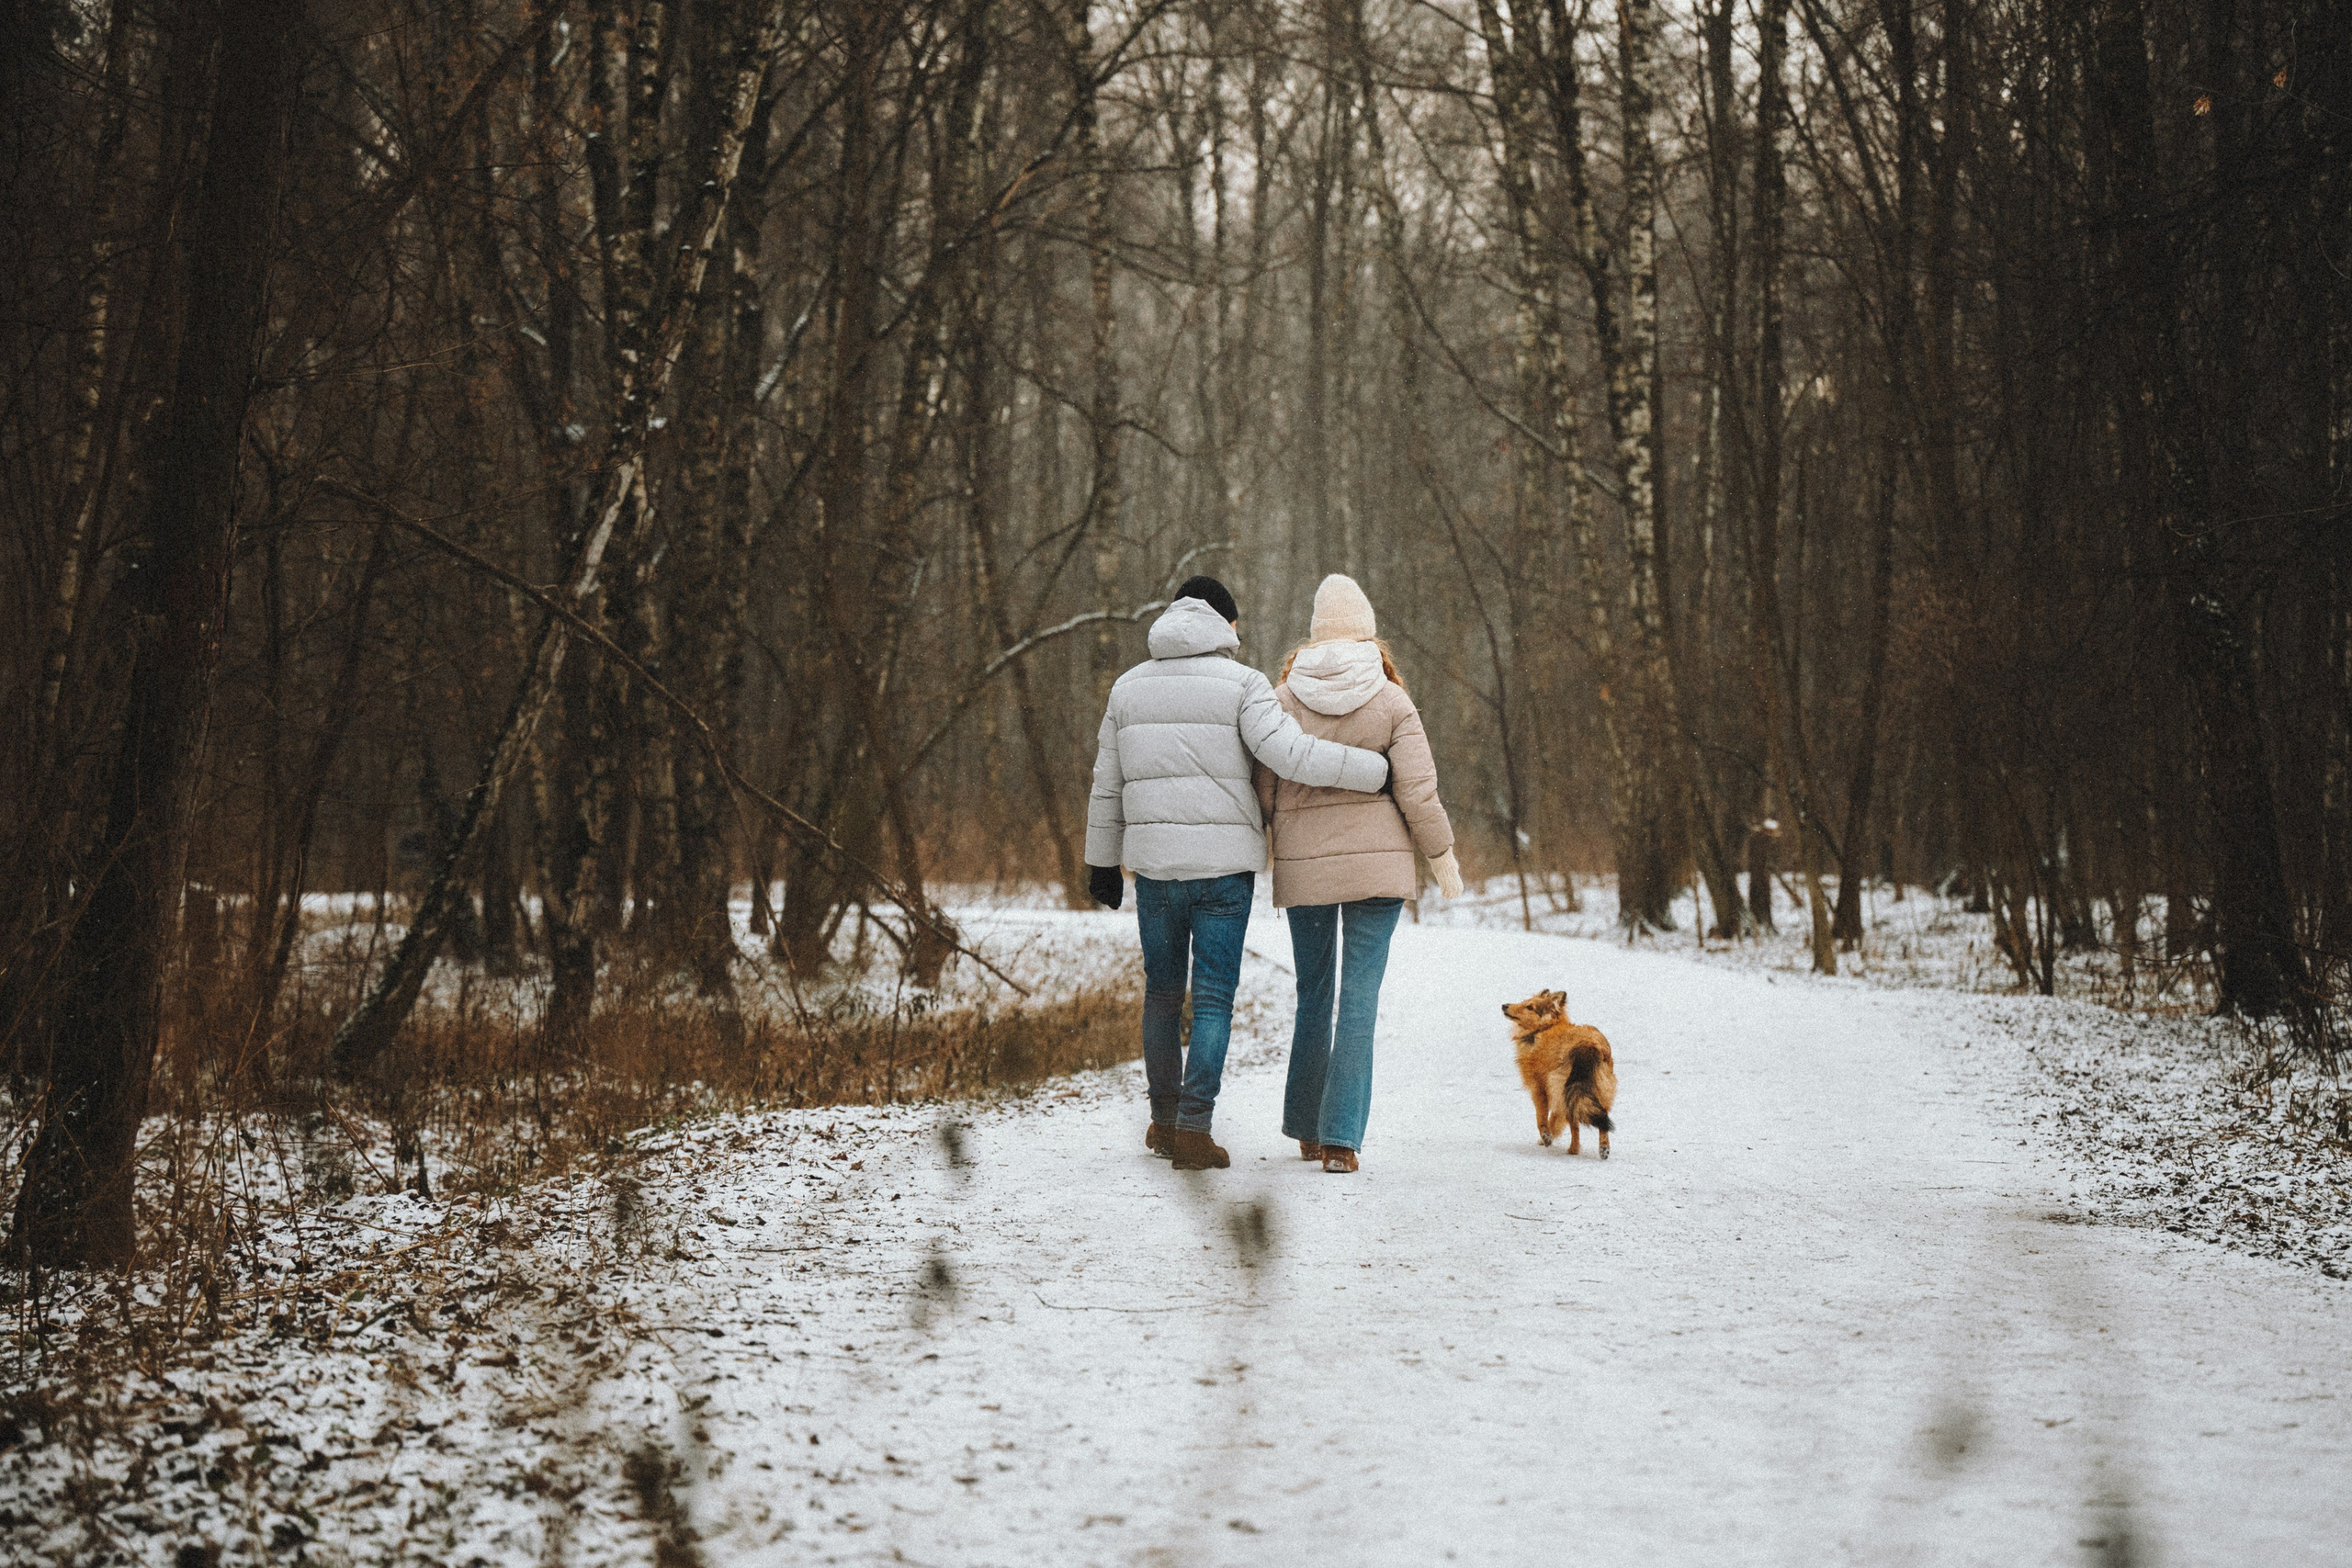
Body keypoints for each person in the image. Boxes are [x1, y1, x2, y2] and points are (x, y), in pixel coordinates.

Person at [1085, 575, 1391, 1172]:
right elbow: (1292, 755)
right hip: (1223, 874)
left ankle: (1164, 1121)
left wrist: (1101, 860)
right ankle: (1195, 1129)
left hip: (1156, 869)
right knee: (1214, 999)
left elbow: (1107, 783)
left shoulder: (1128, 688)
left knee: (1162, 994)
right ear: (1223, 623)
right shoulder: (1244, 684)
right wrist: (1374, 771)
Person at [1252, 574, 1461, 1174]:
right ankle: (1341, 1141)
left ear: (1314, 633)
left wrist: (1257, 849)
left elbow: (1263, 791)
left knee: (1313, 995)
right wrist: (1442, 857)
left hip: (1306, 872)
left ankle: (1306, 1128)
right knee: (1359, 999)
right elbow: (1418, 791)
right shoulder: (1392, 701)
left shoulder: (1282, 698)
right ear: (1368, 632)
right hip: (1378, 869)